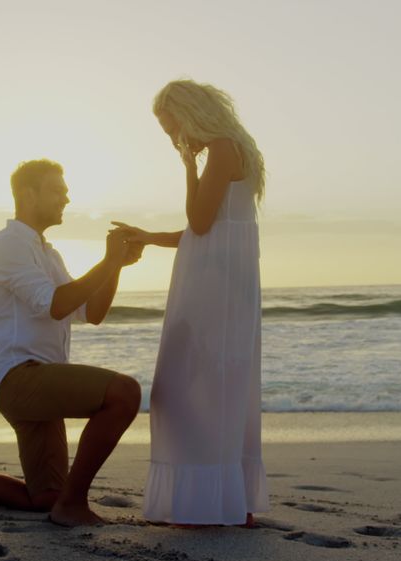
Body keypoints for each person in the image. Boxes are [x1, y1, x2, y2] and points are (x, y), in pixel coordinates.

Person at [0, 159, 144, 527]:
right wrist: (107, 259)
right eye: (57, 191)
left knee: (44, 498)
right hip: (18, 376)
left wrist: (115, 266)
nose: (66, 198)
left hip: (41, 377)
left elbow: (91, 312)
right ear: (27, 194)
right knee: (123, 393)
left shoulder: (49, 253)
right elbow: (55, 305)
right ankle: (74, 504)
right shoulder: (6, 245)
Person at [114, 79, 269, 526]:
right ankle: (225, 500)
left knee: (191, 388)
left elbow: (199, 224)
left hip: (212, 293)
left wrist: (187, 167)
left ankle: (205, 503)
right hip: (219, 285)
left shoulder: (221, 149)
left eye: (171, 127)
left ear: (189, 115)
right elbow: (205, 229)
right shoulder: (229, 149)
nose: (171, 138)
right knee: (218, 386)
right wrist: (148, 235)